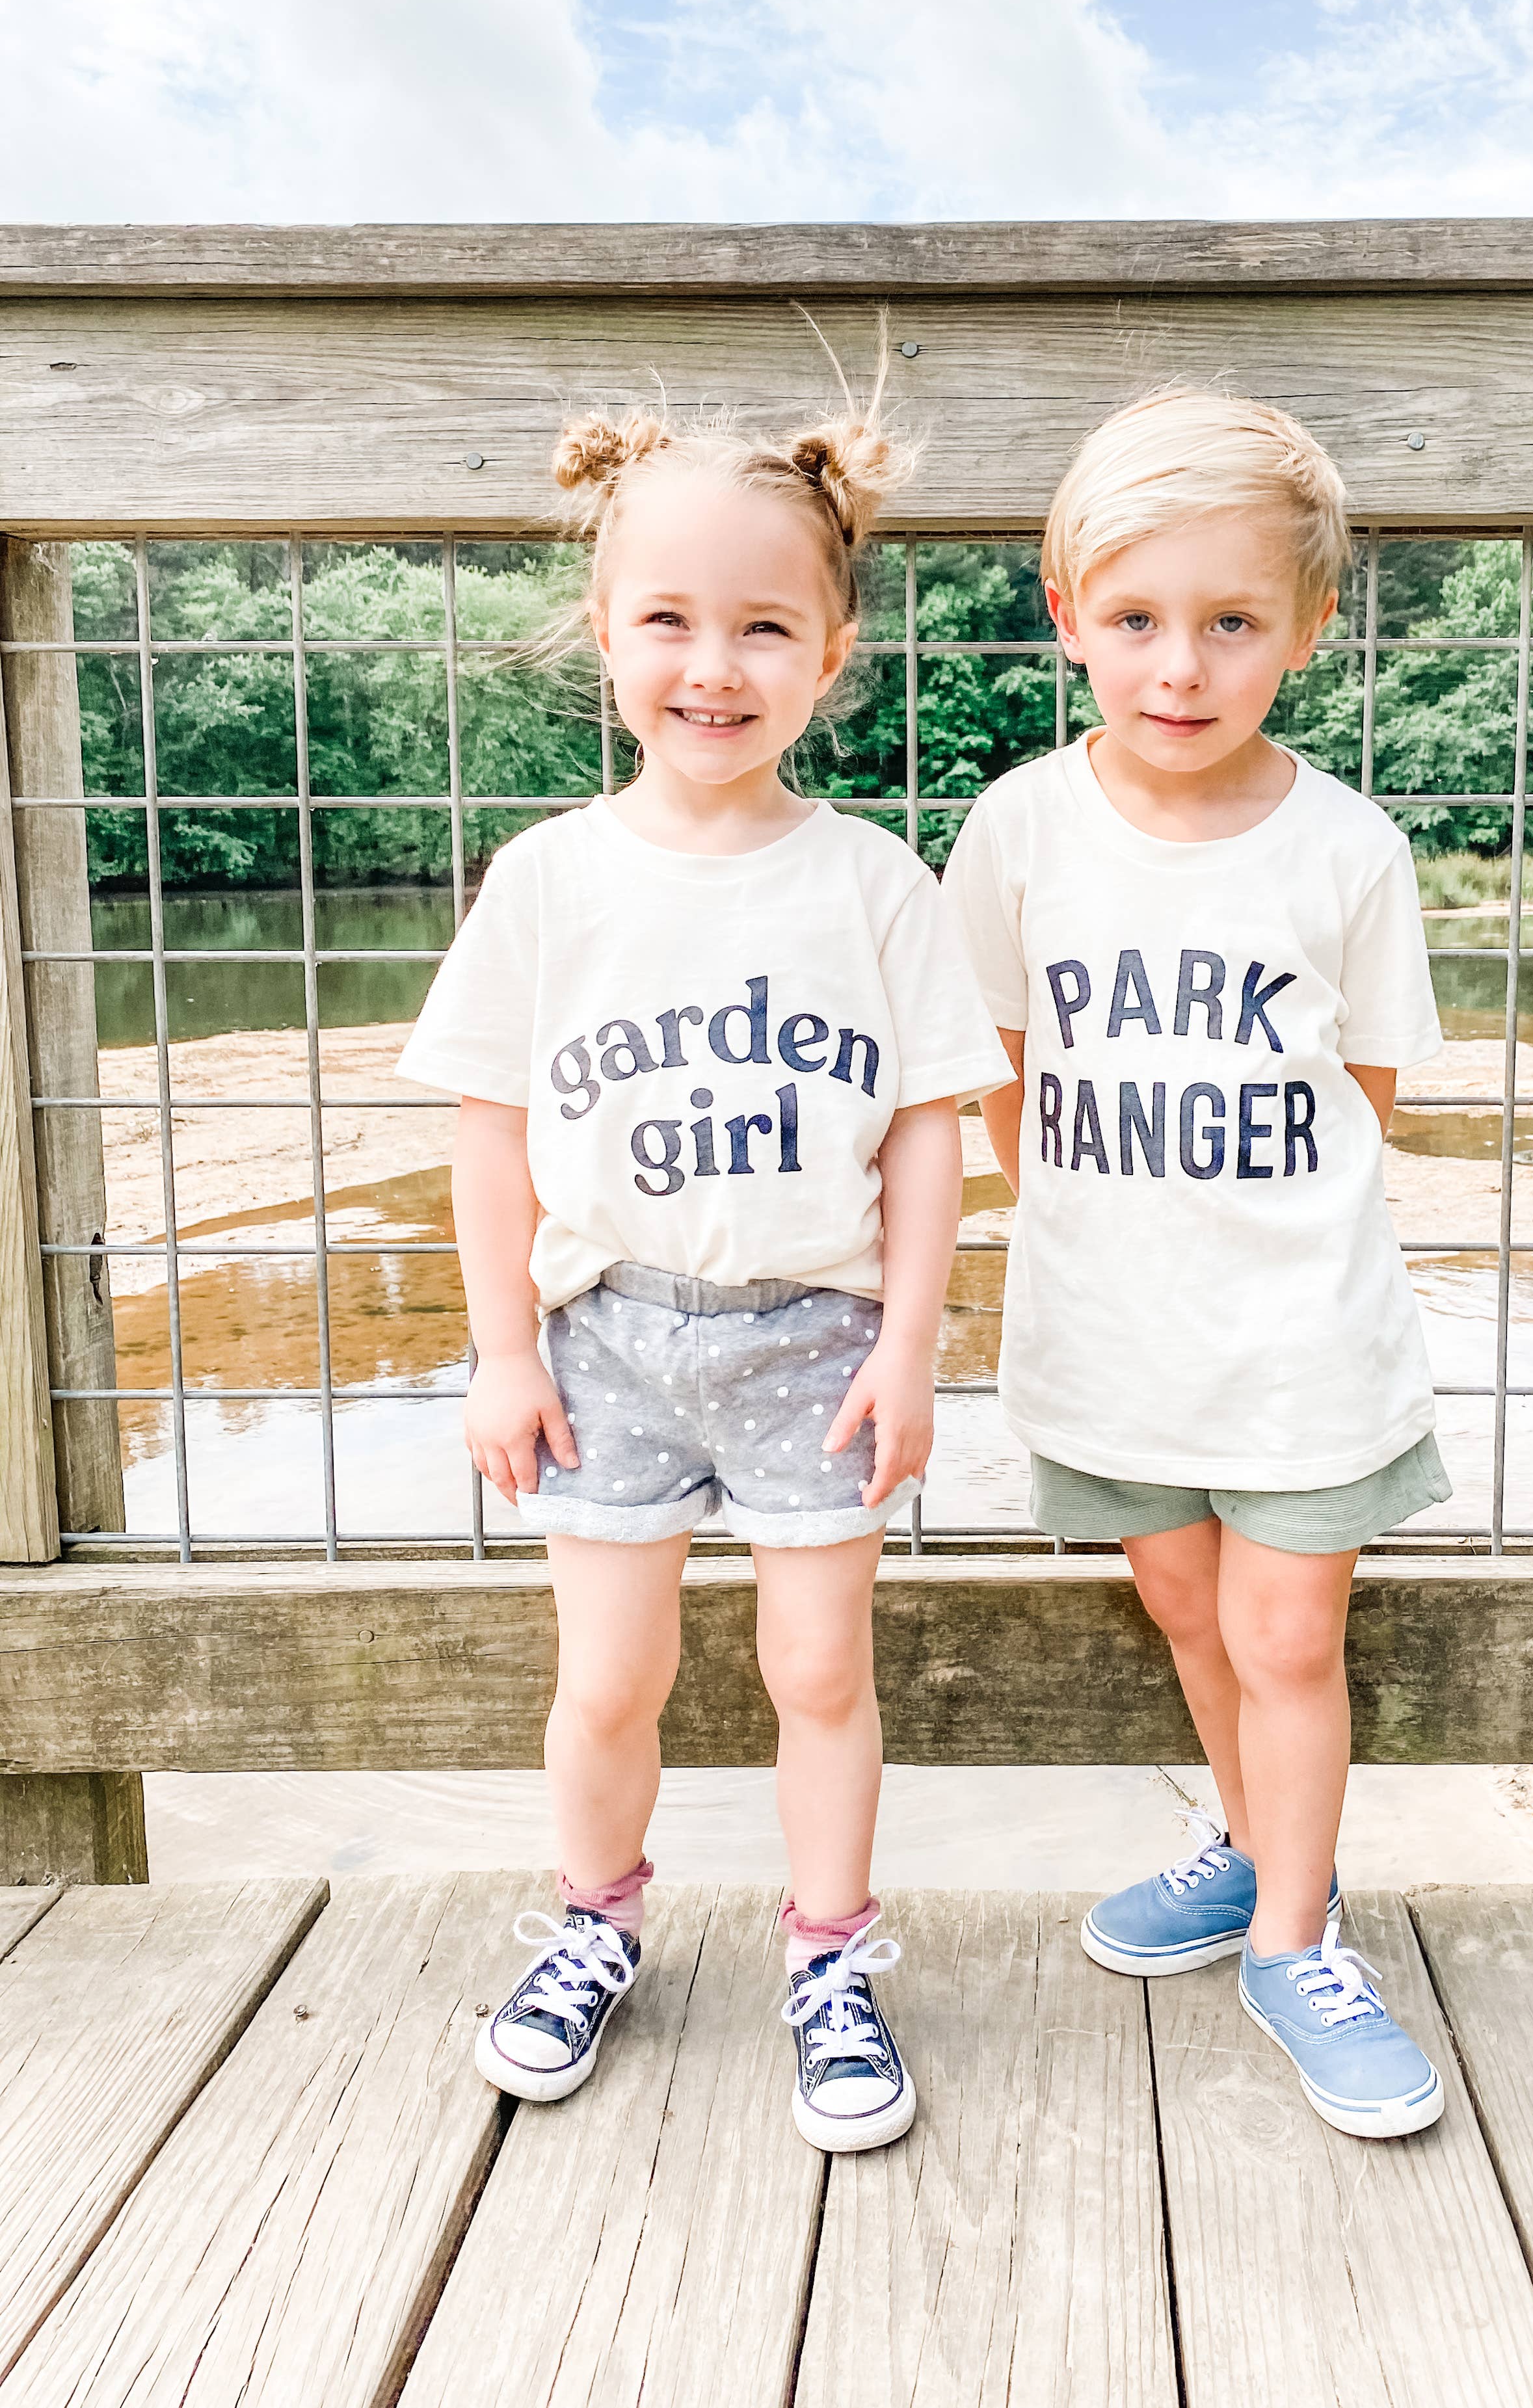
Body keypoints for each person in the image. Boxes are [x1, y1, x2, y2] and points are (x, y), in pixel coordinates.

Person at [399, 393, 1011, 2152]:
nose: (713, 667)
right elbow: (492, 1132)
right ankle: (593, 1923)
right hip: (608, 1336)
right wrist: (502, 1348)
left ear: (832, 652)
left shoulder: (874, 883)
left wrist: (911, 1343)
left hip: (814, 1337)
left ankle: (829, 1955)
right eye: (668, 618)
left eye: (762, 627)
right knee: (608, 1680)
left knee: (820, 1672)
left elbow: (926, 1133)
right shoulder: (548, 879)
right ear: (605, 631)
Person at [944, 389, 1450, 2139]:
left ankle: (1299, 1942)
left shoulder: (1346, 849)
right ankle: (1247, 1847)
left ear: (1306, 629)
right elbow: (1000, 1068)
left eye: (1232, 621)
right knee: (1181, 1605)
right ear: (1066, 612)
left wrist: (1248, 1242)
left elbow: (1359, 1098)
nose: (1180, 665)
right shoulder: (1018, 829)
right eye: (1139, 618)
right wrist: (1103, 1226)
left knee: (1285, 1629)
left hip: (1301, 1333)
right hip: (1108, 1324)